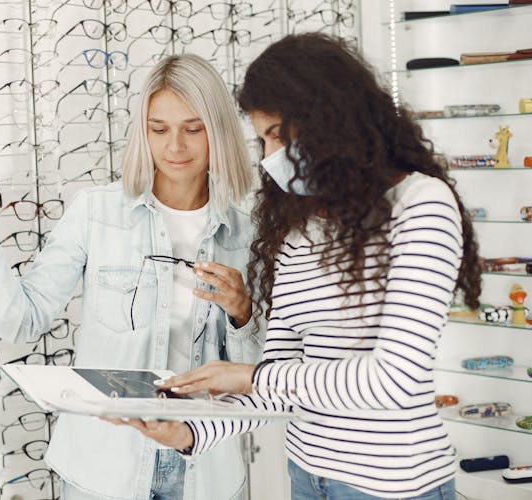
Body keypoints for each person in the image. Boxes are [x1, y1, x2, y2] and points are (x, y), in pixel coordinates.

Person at [114, 33, 482, 500]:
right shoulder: (297, 226)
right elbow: (280, 379)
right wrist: (189, 433)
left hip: (394, 485)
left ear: (330, 119)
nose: (269, 157)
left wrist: (249, 376)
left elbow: (394, 378)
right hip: (307, 477)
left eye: (276, 135)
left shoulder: (420, 206)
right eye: (261, 139)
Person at [0, 54, 263, 500]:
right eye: (159, 129)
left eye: (193, 129)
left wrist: (242, 313)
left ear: (218, 131)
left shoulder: (247, 233)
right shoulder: (95, 212)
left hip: (203, 471)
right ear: (144, 131)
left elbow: (258, 376)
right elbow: (22, 321)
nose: (175, 146)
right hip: (104, 472)